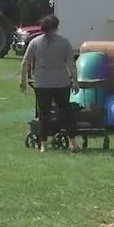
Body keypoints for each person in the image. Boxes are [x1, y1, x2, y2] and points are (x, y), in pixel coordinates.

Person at [20, 14, 79, 153]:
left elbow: (25, 63)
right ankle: (73, 142)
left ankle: (43, 145)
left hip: (42, 83)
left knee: (43, 114)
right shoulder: (64, 42)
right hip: (61, 82)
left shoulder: (35, 42)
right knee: (66, 112)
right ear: (56, 27)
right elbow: (71, 64)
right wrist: (75, 80)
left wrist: (23, 81)